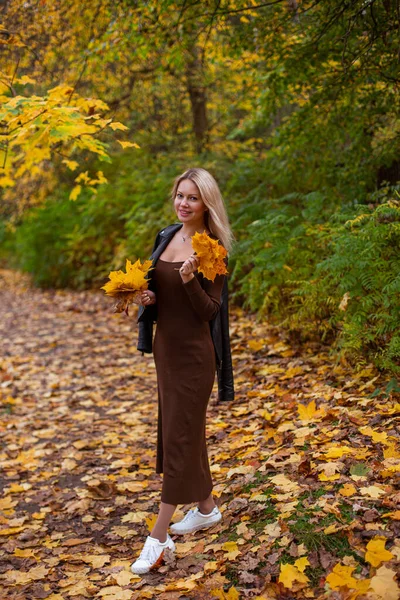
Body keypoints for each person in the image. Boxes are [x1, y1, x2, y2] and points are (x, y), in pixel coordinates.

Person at [130, 167, 235, 575]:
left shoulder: (214, 251)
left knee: (178, 435)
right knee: (182, 431)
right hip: (165, 353)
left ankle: (158, 537)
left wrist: (191, 281)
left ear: (206, 202)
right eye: (180, 195)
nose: (183, 203)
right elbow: (161, 296)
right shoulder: (166, 236)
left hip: (194, 357)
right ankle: (206, 509)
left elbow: (210, 311)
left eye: (192, 197)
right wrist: (149, 296)